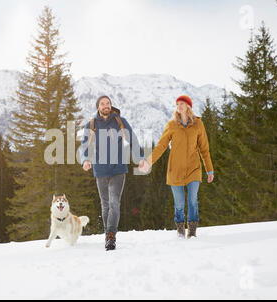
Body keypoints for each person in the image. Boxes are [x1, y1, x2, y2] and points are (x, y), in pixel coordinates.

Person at [80, 95, 149, 250]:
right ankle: (108, 235)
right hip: (100, 170)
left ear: (111, 106)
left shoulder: (120, 121)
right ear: (98, 107)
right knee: (105, 205)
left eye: (108, 103)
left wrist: (140, 158)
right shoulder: (91, 124)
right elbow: (84, 146)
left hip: (118, 169)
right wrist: (85, 159)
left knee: (114, 202)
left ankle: (111, 235)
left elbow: (133, 140)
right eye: (103, 103)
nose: (106, 105)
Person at [142, 95, 214, 238]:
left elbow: (204, 149)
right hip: (175, 170)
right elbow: (161, 146)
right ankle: (180, 229)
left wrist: (209, 169)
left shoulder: (198, 124)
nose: (179, 106)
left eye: (182, 103)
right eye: (177, 104)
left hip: (194, 168)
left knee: (193, 199)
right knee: (179, 203)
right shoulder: (172, 125)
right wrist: (148, 161)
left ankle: (192, 231)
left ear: (188, 106)